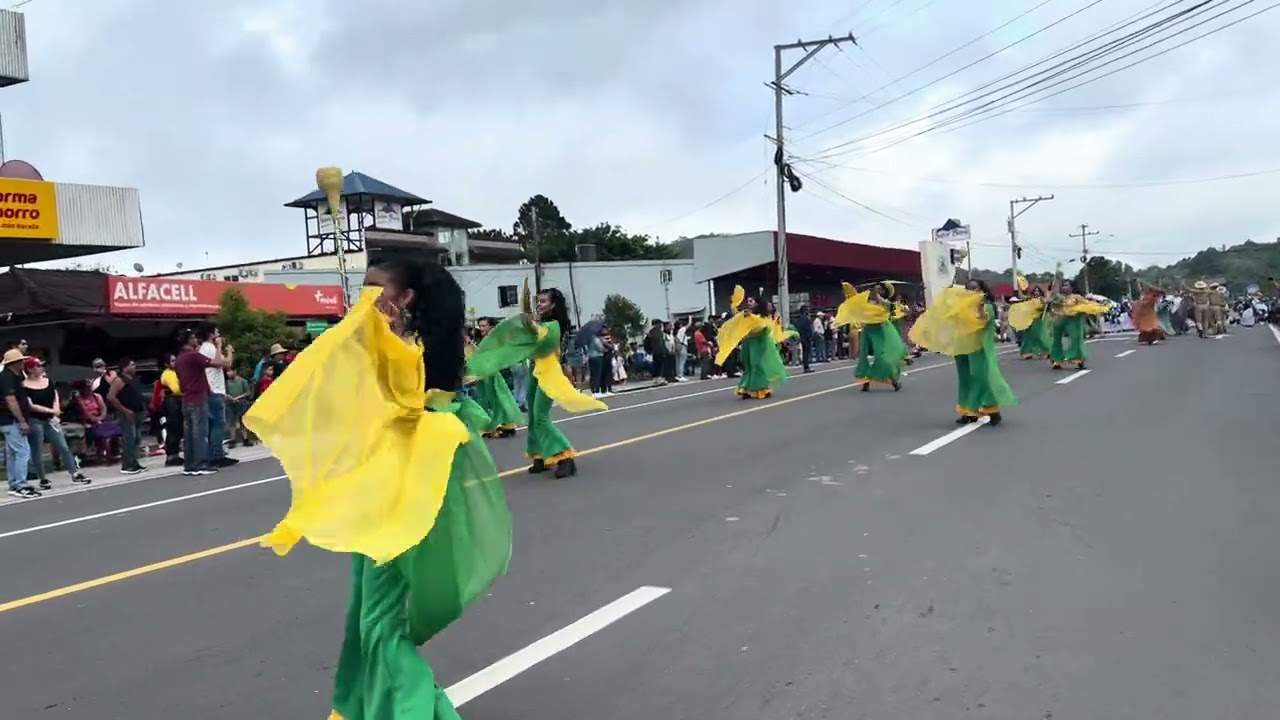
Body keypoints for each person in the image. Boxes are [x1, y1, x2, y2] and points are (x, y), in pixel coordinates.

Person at [248, 257, 512, 720]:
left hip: (404, 492)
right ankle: (364, 707)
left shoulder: (409, 350)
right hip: (386, 487)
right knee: (367, 616)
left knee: (382, 624)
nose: (363, 296)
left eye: (374, 288)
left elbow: (399, 403)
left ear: (404, 298)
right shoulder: (405, 345)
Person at [468, 285, 606, 479]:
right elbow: (528, 336)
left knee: (540, 417)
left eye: (543, 301)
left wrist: (528, 321)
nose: (539, 305)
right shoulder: (543, 324)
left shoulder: (555, 326)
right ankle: (540, 456)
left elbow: (540, 337)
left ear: (553, 304)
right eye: (537, 301)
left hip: (549, 373)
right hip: (536, 370)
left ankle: (565, 457)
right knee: (533, 416)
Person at [22, 357, 89, 489]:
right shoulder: (24, 385)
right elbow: (30, 405)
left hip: (51, 419)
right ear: (30, 369)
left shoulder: (47, 381)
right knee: (37, 450)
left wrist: (56, 410)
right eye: (37, 366)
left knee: (62, 446)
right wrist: (50, 410)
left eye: (41, 366)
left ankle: (74, 473)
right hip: (35, 419)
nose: (41, 368)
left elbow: (55, 395)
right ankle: (42, 478)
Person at [175, 328, 233, 476]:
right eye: (193, 338)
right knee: (200, 432)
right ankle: (200, 464)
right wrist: (224, 349)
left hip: (187, 398)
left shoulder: (179, 359)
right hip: (198, 398)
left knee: (188, 434)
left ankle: (189, 465)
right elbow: (218, 363)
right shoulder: (193, 355)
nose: (196, 341)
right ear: (188, 340)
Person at [714, 285, 788, 400]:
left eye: (751, 301)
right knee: (747, 365)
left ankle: (762, 389)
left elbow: (763, 326)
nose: (748, 303)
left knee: (756, 365)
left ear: (757, 304)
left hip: (759, 343)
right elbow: (735, 321)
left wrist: (752, 318)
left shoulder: (760, 316)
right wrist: (735, 305)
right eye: (747, 301)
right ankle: (746, 388)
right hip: (747, 343)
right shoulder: (745, 314)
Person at [834, 281, 906, 392]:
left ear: (884, 292)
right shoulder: (864, 300)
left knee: (883, 357)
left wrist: (877, 295)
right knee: (863, 356)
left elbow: (890, 309)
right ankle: (865, 382)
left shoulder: (887, 304)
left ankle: (894, 382)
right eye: (876, 288)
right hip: (867, 330)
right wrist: (847, 288)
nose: (876, 290)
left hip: (881, 331)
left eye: (880, 289)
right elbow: (853, 301)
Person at [470, 316, 524, 438]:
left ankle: (506, 424)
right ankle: (490, 424)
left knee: (498, 398)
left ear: (490, 326)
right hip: (483, 373)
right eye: (480, 326)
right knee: (484, 399)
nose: (482, 328)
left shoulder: (496, 339)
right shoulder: (482, 340)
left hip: (493, 373)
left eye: (484, 325)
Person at [198, 324, 237, 467]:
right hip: (215, 390)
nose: (218, 333)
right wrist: (228, 350)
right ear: (211, 334)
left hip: (210, 390)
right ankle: (216, 455)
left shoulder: (204, 349)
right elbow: (225, 364)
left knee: (212, 423)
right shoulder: (209, 348)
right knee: (219, 423)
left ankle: (212, 453)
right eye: (216, 331)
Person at [1, 348, 38, 498]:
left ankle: (14, 483)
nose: (23, 362)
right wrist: (21, 420)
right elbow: (11, 400)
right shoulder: (7, 378)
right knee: (23, 451)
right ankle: (21, 484)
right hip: (11, 420)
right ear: (14, 363)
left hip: (8, 420)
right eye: (21, 360)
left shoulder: (14, 376)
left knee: (13, 453)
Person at [107, 358, 149, 475]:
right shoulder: (119, 380)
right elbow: (111, 397)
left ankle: (134, 462)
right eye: (132, 365)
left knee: (137, 439)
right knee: (129, 438)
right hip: (127, 413)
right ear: (125, 368)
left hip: (138, 412)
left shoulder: (134, 380)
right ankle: (127, 464)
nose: (135, 367)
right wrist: (124, 410)